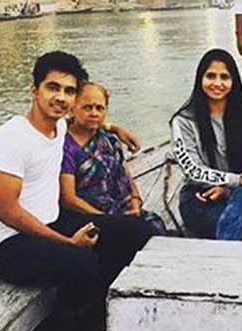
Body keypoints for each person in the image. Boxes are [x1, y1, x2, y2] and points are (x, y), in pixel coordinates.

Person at [0, 51, 151, 331]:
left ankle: (94, 311)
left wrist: (116, 129)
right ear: (34, 90)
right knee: (83, 260)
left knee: (135, 231)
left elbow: (90, 122)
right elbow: (6, 211)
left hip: (52, 222)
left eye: (69, 91)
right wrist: (67, 242)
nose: (60, 97)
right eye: (52, 87)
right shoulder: (10, 138)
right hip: (12, 244)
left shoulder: (58, 127)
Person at [171, 48, 242, 240]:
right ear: (199, 79)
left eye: (224, 77)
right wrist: (239, 180)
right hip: (199, 196)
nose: (217, 83)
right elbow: (193, 171)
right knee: (234, 218)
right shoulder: (183, 120)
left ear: (233, 80)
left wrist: (229, 189)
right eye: (210, 76)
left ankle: (224, 255)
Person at [60, 81, 166, 235]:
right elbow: (69, 199)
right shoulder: (64, 146)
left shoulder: (109, 140)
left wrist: (135, 199)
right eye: (87, 107)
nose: (94, 113)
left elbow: (125, 174)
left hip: (117, 208)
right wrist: (107, 219)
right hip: (85, 216)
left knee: (154, 225)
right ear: (72, 109)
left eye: (99, 108)